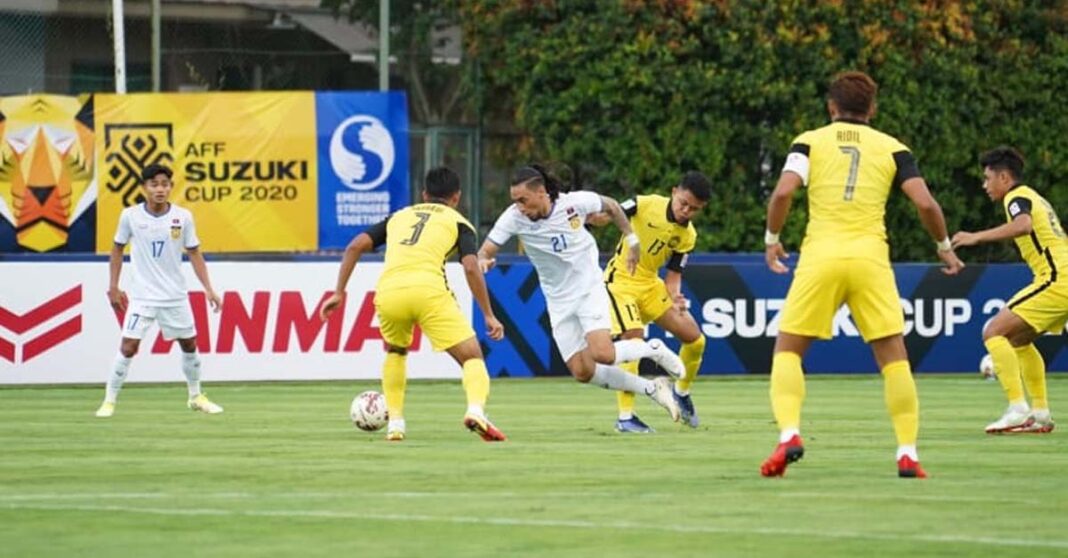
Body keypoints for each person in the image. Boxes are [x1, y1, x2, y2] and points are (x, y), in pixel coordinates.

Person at [761, 71, 965, 478]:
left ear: (831, 107)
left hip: (821, 256)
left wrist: (772, 238)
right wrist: (944, 247)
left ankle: (789, 435)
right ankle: (907, 452)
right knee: (893, 358)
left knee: (788, 350)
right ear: (872, 109)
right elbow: (925, 203)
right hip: (871, 258)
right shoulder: (893, 148)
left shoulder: (809, 140)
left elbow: (783, 192)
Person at [478, 164, 684, 424]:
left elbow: (611, 206)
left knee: (603, 354)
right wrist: (484, 259)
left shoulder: (574, 203)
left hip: (588, 288)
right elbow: (486, 250)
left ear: (541, 192)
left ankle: (652, 349)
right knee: (582, 371)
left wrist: (631, 240)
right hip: (558, 300)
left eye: (523, 200)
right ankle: (652, 389)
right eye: (515, 201)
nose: (519, 207)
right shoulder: (513, 218)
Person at [320, 166, 506, 442]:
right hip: (429, 292)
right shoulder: (459, 222)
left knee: (396, 351)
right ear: (456, 197)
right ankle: (476, 410)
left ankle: (395, 423)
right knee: (471, 357)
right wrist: (489, 315)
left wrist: (339, 292)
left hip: (389, 292)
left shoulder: (399, 216)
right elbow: (470, 267)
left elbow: (354, 246)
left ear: (423, 194)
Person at [96, 164, 224, 418]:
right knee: (128, 346)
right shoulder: (130, 216)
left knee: (189, 344)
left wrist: (209, 288)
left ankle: (195, 396)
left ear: (170, 187)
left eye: (165, 184)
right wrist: (113, 286)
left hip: (175, 296)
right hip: (143, 296)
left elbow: (194, 252)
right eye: (154, 184)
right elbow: (117, 249)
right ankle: (109, 401)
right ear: (144, 188)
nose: (160, 189)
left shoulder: (183, 217)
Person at [952, 146, 1064, 434]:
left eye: (988, 178)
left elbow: (1023, 225)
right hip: (1060, 278)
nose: (984, 184)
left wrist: (975, 237)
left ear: (1004, 177)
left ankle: (1017, 409)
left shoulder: (1017, 196)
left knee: (993, 332)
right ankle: (1040, 413)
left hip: (1057, 279)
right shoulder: (1033, 196)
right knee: (1019, 342)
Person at [588, 172, 711, 432]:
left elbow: (674, 275)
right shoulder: (645, 203)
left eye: (694, 209)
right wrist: (595, 219)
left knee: (696, 339)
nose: (686, 211)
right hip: (621, 281)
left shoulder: (688, 235)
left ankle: (681, 391)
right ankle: (625, 417)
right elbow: (612, 213)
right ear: (674, 190)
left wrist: (675, 295)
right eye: (683, 203)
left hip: (651, 285)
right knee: (633, 339)